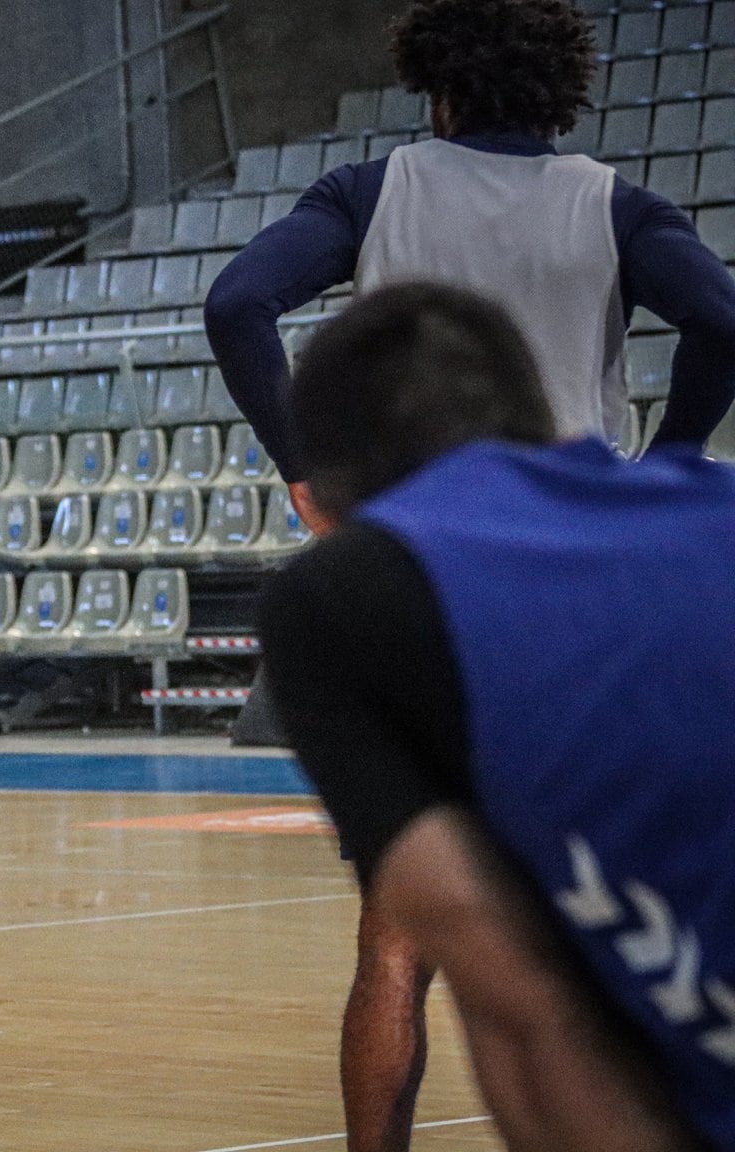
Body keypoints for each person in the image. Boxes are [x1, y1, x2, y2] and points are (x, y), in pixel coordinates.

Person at [203, 1, 735, 1146]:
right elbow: (722, 320)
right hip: (586, 579)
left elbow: (235, 302)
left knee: (398, 941)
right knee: (601, 907)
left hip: (414, 569)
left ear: (434, 89)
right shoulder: (613, 204)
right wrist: (676, 456)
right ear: (559, 91)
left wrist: (303, 471)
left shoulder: (366, 193)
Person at [259, 282, 735, 1152]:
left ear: (326, 488)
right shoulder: (715, 506)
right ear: (537, 416)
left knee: (407, 957)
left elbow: (523, 1009)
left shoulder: (342, 600)